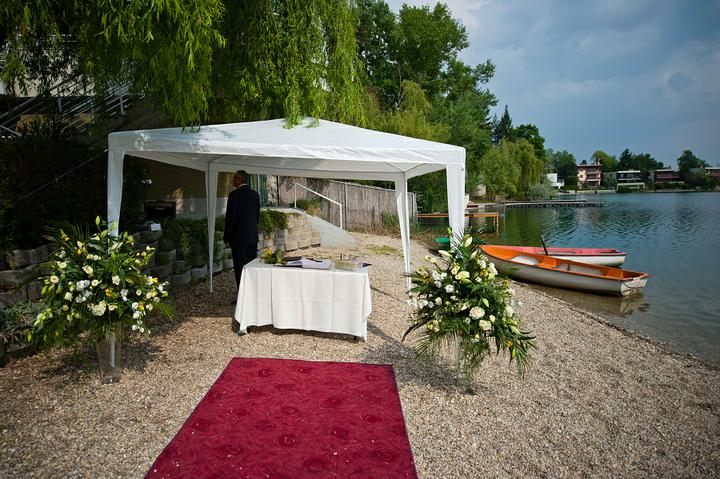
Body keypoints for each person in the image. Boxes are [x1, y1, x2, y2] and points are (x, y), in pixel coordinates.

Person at [224, 170, 260, 291]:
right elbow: (257, 216)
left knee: (240, 267)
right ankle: (251, 292)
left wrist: (227, 236)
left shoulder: (234, 195)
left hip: (238, 238)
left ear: (240, 179)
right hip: (252, 237)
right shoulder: (255, 194)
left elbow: (231, 218)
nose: (233, 180)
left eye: (234, 178)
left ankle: (242, 294)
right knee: (251, 266)